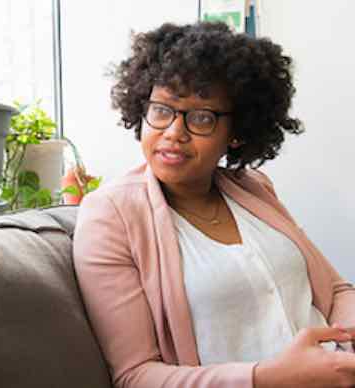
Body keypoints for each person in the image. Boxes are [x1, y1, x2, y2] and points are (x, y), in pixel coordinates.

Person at [73, 21, 355, 388]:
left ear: (236, 132)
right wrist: (270, 378)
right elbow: (136, 376)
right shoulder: (110, 215)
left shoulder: (254, 188)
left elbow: (335, 290)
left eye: (202, 117)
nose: (174, 131)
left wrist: (347, 344)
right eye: (161, 110)